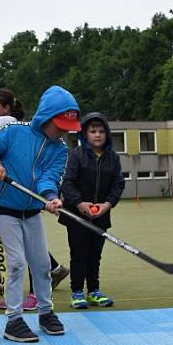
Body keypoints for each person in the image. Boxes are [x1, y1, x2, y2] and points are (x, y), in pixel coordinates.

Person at [0, 85, 80, 342]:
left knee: (42, 264)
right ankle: (14, 320)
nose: (64, 130)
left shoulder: (60, 150)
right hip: (3, 208)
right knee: (15, 263)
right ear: (46, 117)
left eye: (67, 126)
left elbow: (49, 177)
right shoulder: (14, 132)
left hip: (32, 210)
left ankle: (46, 312)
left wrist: (51, 197)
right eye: (60, 124)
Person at [60, 112, 125, 308]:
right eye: (92, 131)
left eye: (101, 131)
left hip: (101, 215)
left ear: (107, 134)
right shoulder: (75, 156)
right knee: (79, 253)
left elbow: (118, 184)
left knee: (95, 254)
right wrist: (80, 203)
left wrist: (107, 205)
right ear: (84, 134)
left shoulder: (112, 158)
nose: (97, 135)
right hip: (76, 215)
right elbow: (67, 184)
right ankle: (77, 292)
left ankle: (94, 291)